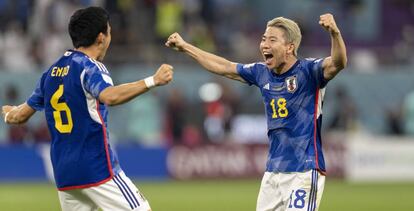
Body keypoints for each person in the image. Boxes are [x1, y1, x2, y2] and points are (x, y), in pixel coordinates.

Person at [166, 13, 347, 211]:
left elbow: (338, 63)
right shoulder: (261, 72)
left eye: (272, 40)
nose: (264, 45)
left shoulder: (309, 71)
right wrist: (185, 47)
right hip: (273, 172)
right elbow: (224, 67)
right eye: (263, 39)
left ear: (289, 47)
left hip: (304, 170)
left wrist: (334, 33)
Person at [2, 7, 173, 211]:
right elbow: (109, 96)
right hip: (97, 168)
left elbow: (19, 116)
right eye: (109, 32)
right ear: (101, 37)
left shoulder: (50, 73)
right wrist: (153, 80)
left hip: (66, 176)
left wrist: (9, 114)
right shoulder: (90, 67)